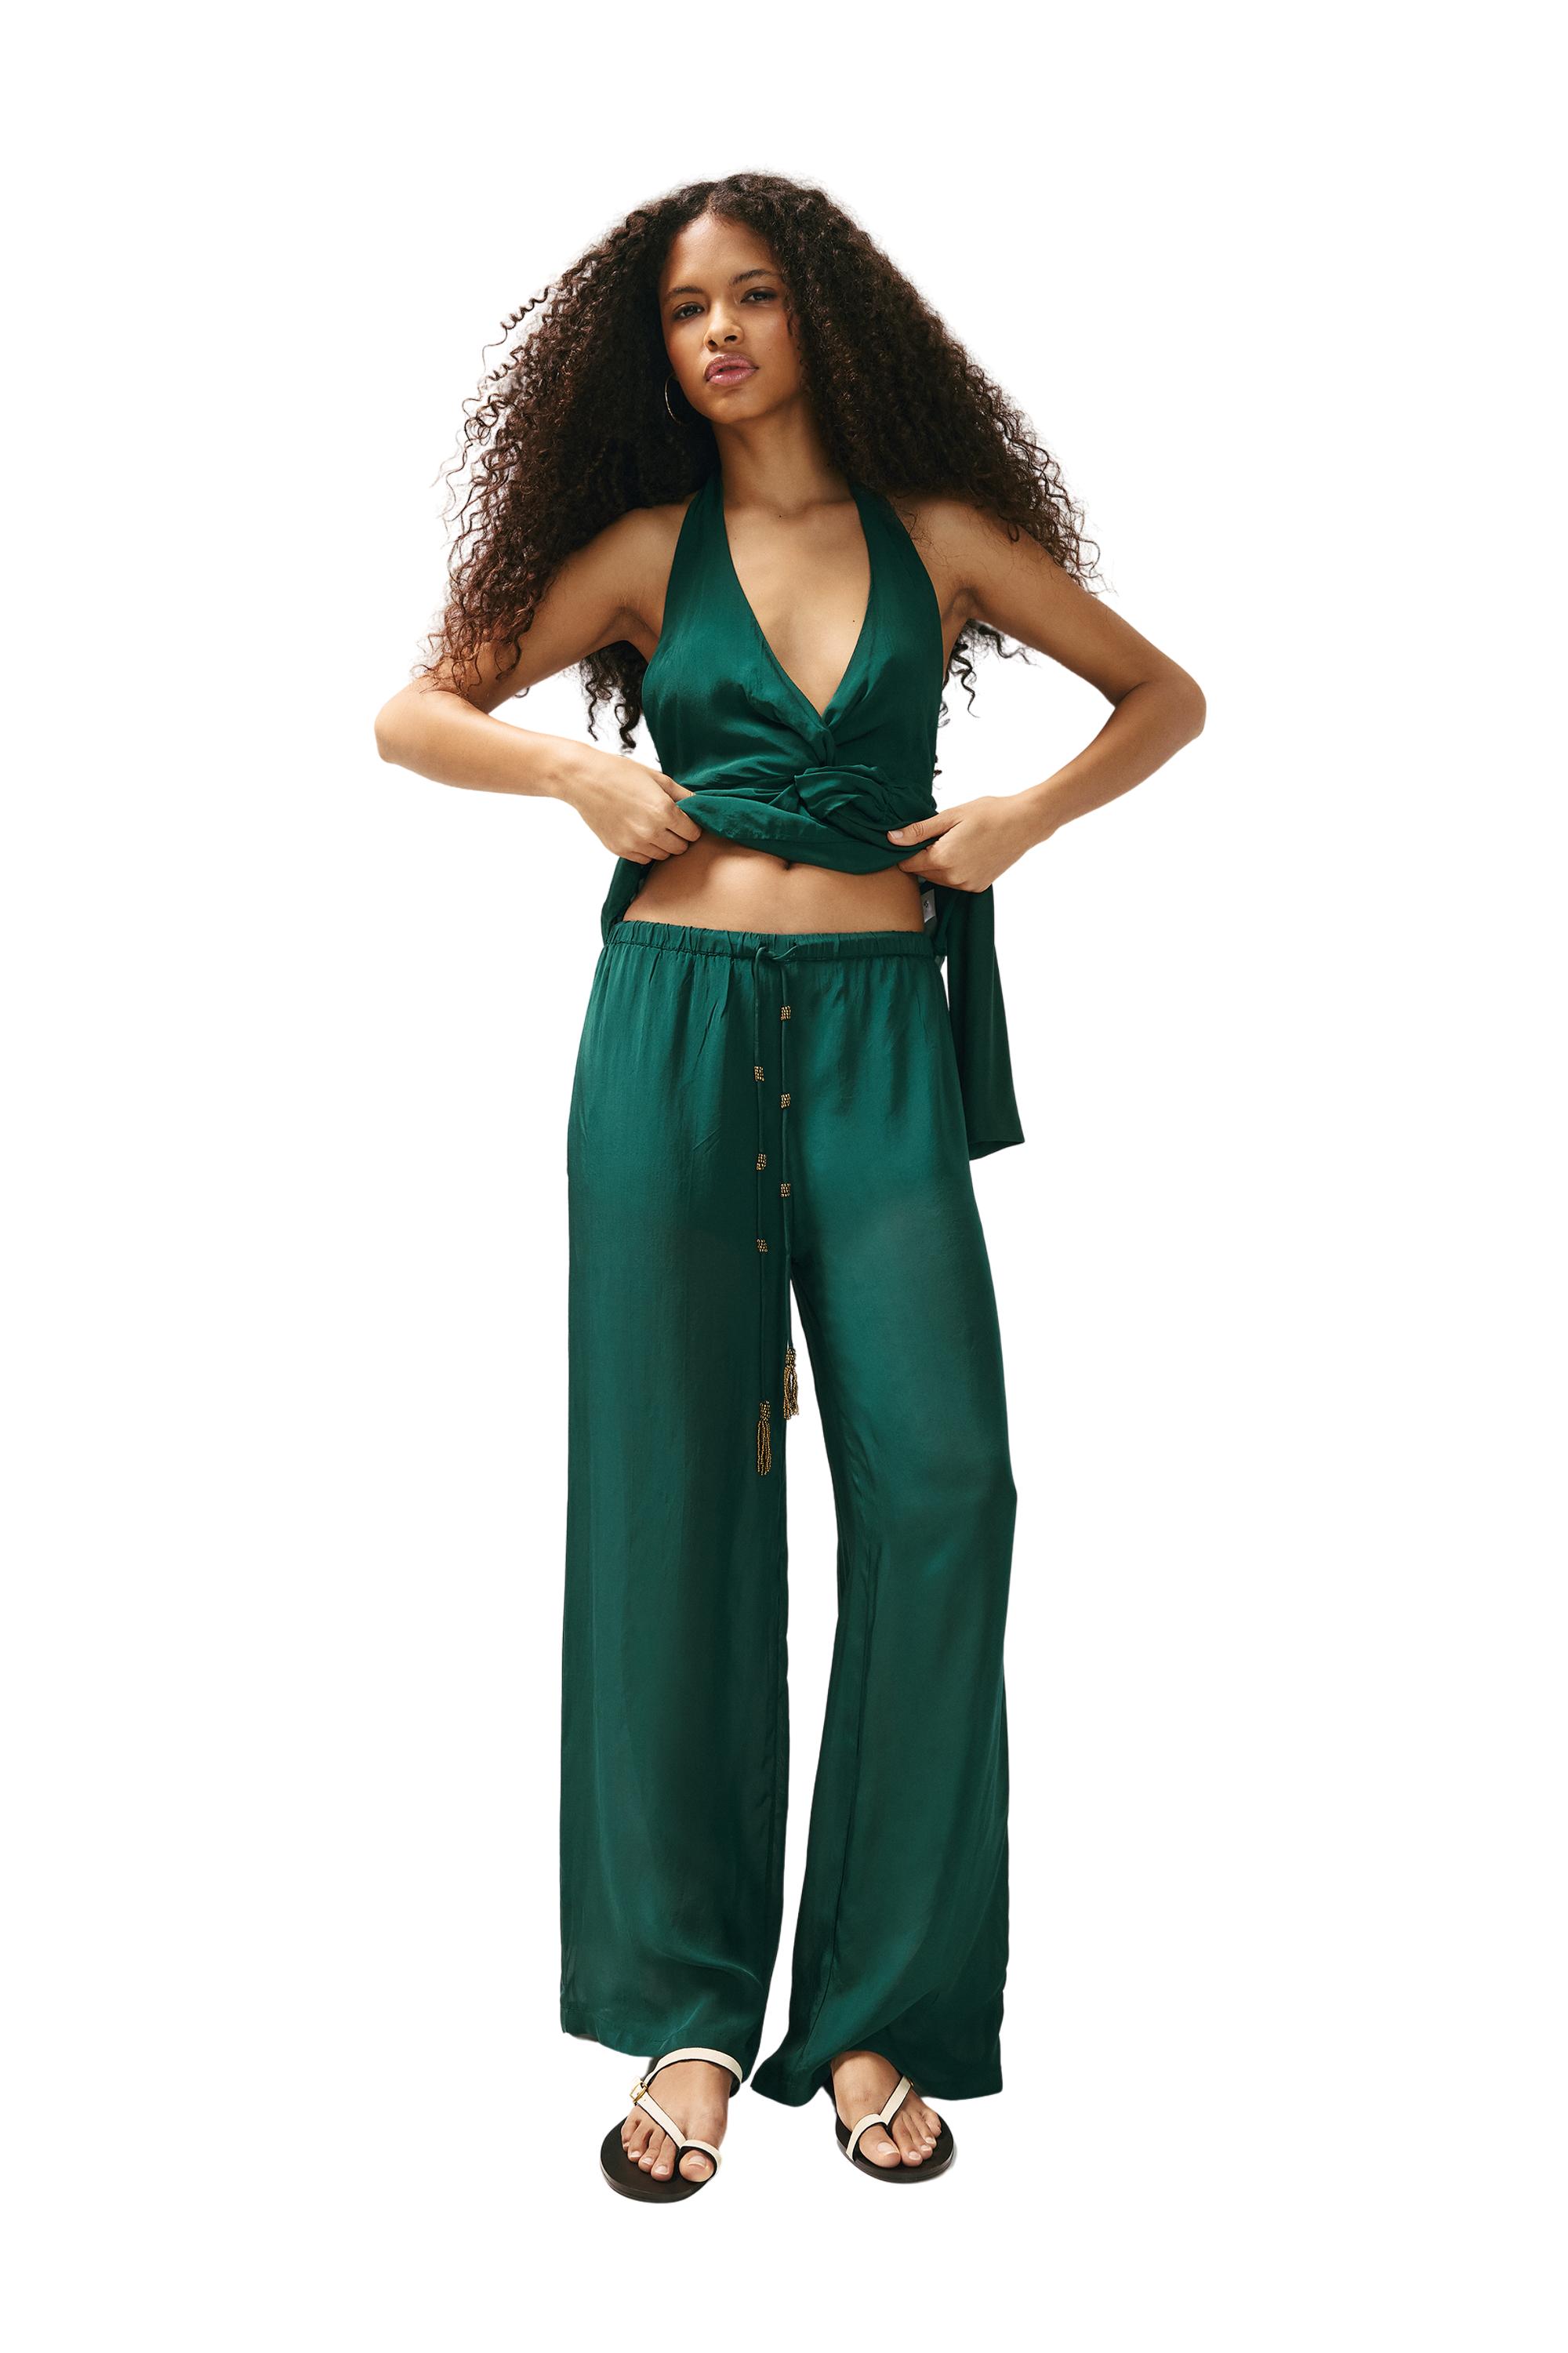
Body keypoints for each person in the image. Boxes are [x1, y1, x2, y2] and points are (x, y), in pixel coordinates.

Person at [374, 171, 1204, 2199]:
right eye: (686, 309)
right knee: (670, 1504)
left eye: (754, 295)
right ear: (653, 349)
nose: (723, 333)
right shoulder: (641, 554)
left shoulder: (948, 540)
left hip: (881, 1041)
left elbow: (1166, 696)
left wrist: (1021, 817)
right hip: (666, 1034)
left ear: (825, 313)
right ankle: (681, 2013)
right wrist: (575, 770)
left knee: (947, 1490)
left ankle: (876, 2009)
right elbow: (410, 713)